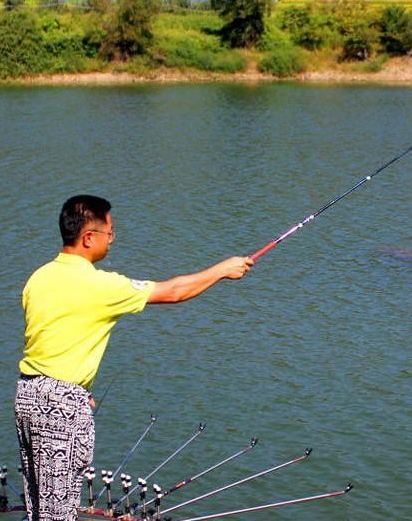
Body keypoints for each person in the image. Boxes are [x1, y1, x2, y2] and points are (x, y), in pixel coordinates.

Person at [15, 194, 253, 520]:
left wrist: (76, 391)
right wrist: (222, 270)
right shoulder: (99, 285)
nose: (112, 241)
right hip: (60, 405)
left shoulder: (38, 278)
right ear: (88, 237)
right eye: (109, 233)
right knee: (58, 512)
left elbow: (51, 341)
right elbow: (173, 291)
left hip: (27, 395)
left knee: (39, 505)